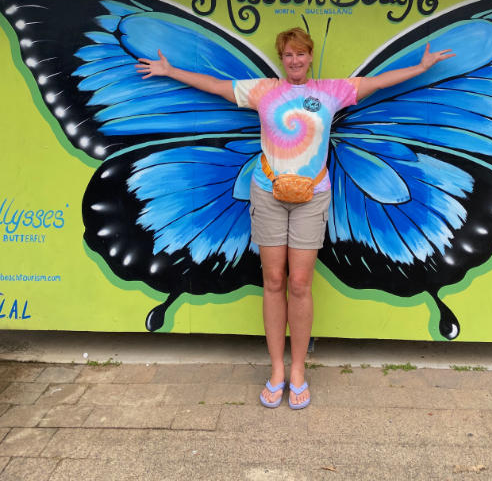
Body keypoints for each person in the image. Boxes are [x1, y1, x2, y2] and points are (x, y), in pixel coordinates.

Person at [136, 27, 453, 409]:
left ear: (310, 56)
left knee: (300, 283)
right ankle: (276, 370)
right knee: (272, 280)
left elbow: (378, 82)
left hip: (313, 199)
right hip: (267, 194)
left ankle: (298, 369)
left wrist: (420, 68)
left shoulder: (331, 92)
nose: (295, 60)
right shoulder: (264, 90)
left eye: (301, 54)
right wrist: (170, 71)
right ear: (281, 58)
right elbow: (218, 86)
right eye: (288, 55)